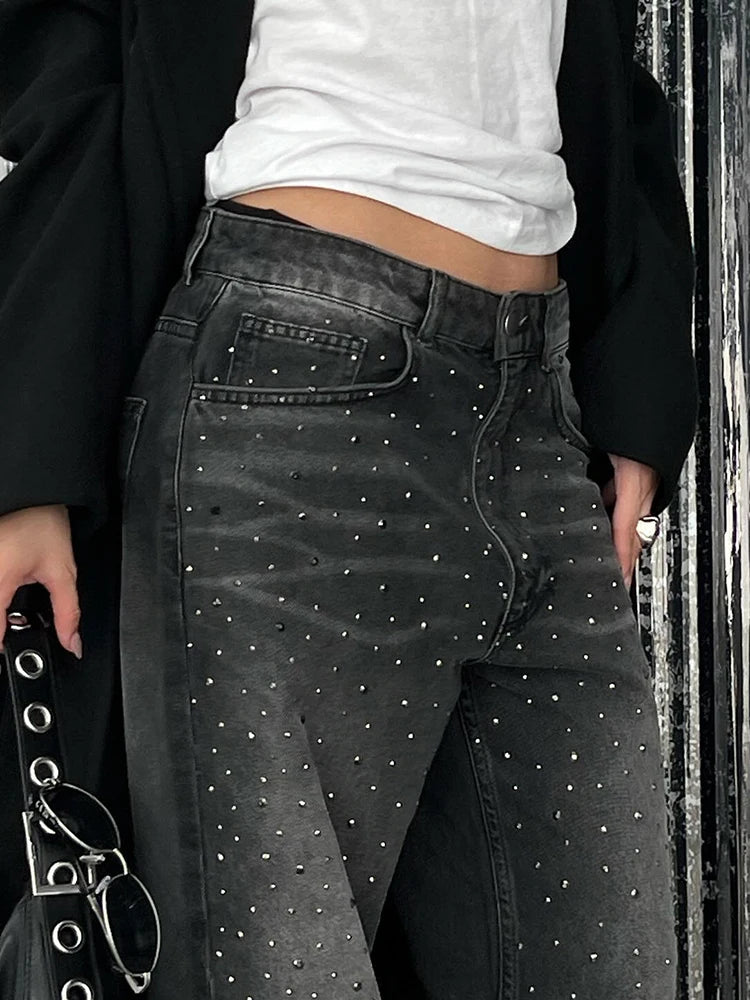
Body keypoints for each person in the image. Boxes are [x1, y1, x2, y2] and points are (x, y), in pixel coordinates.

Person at [0, 0, 698, 997]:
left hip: (540, 409)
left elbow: (602, 75)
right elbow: (68, 44)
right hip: (286, 385)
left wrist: (638, 363)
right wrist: (29, 444)